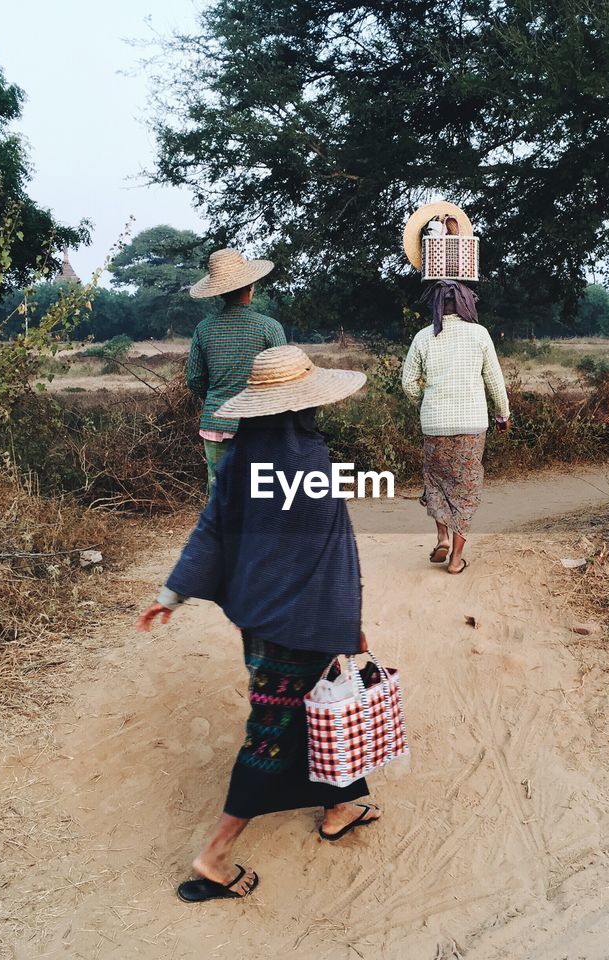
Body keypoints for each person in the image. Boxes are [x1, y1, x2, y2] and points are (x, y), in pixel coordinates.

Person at [138, 344, 379, 904]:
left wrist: (170, 594)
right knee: (271, 735)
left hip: (261, 621)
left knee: (316, 706)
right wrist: (350, 627)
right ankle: (216, 853)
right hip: (302, 626)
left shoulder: (240, 461)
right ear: (303, 408)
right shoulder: (313, 469)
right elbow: (334, 561)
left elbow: (211, 530)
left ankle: (338, 807)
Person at [401, 279, 511, 574]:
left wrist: (426, 401)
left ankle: (442, 537)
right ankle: (456, 560)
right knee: (466, 485)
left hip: (434, 424)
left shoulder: (423, 337)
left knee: (436, 482)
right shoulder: (479, 334)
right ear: (466, 305)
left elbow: (408, 383)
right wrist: (503, 415)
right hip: (472, 424)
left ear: (436, 306)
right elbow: (495, 382)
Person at [186, 248, 286, 493]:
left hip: (216, 421)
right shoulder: (269, 328)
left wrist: (218, 395)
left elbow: (195, 381)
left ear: (219, 291)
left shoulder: (203, 329)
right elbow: (284, 382)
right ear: (250, 286)